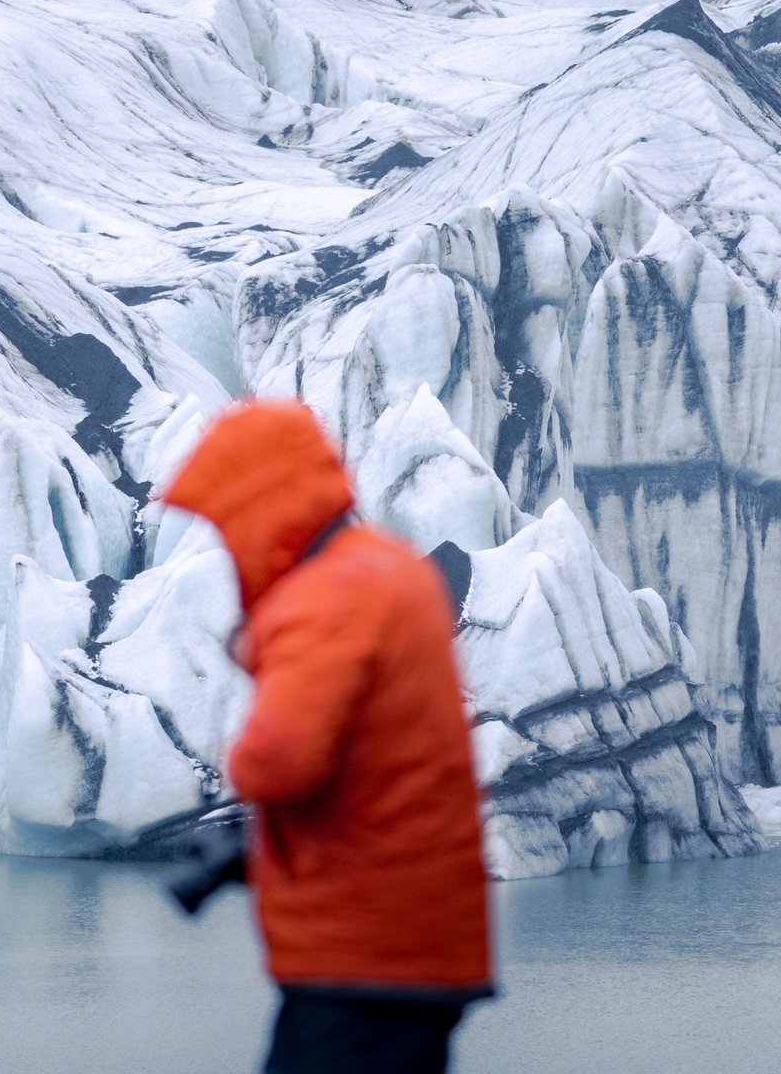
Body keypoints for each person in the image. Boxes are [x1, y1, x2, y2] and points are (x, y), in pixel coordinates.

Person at [159, 399, 493, 1074]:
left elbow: (278, 758)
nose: (226, 542)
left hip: (364, 962)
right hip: (410, 952)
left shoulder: (330, 595)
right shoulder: (385, 572)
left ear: (262, 508)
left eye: (228, 521)